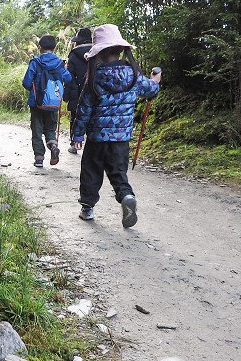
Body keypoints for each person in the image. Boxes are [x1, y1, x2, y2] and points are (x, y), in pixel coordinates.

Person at [71, 23, 161, 228]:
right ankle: (126, 196)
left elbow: (84, 108)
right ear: (121, 50)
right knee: (118, 172)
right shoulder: (134, 74)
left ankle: (87, 209)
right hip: (121, 139)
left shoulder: (95, 76)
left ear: (98, 53)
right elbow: (151, 90)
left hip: (96, 138)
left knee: (91, 172)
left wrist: (77, 135)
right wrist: (156, 80)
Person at [22, 34, 72, 167]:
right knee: (51, 128)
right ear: (54, 47)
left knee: (37, 130)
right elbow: (68, 79)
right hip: (54, 102)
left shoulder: (35, 62)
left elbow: (26, 83)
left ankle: (39, 158)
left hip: (37, 103)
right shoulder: (60, 63)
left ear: (40, 47)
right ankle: (53, 146)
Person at [65, 27, 92, 155]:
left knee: (75, 117)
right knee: (92, 117)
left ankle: (74, 144)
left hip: (77, 91)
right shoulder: (98, 52)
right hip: (93, 90)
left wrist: (66, 95)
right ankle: (91, 145)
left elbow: (69, 77)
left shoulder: (73, 54)